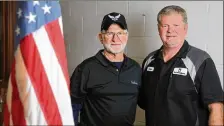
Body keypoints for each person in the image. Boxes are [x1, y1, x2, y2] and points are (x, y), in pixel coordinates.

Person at [138, 5, 224, 126]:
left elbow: (216, 108)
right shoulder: (149, 60)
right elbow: (143, 102)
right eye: (165, 26)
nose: (170, 30)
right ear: (158, 29)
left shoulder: (201, 60)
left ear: (185, 28)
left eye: (176, 25)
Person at [70, 12, 141, 126]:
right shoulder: (86, 68)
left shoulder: (135, 68)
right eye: (110, 33)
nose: (115, 39)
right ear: (101, 37)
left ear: (126, 37)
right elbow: (71, 105)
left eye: (120, 33)